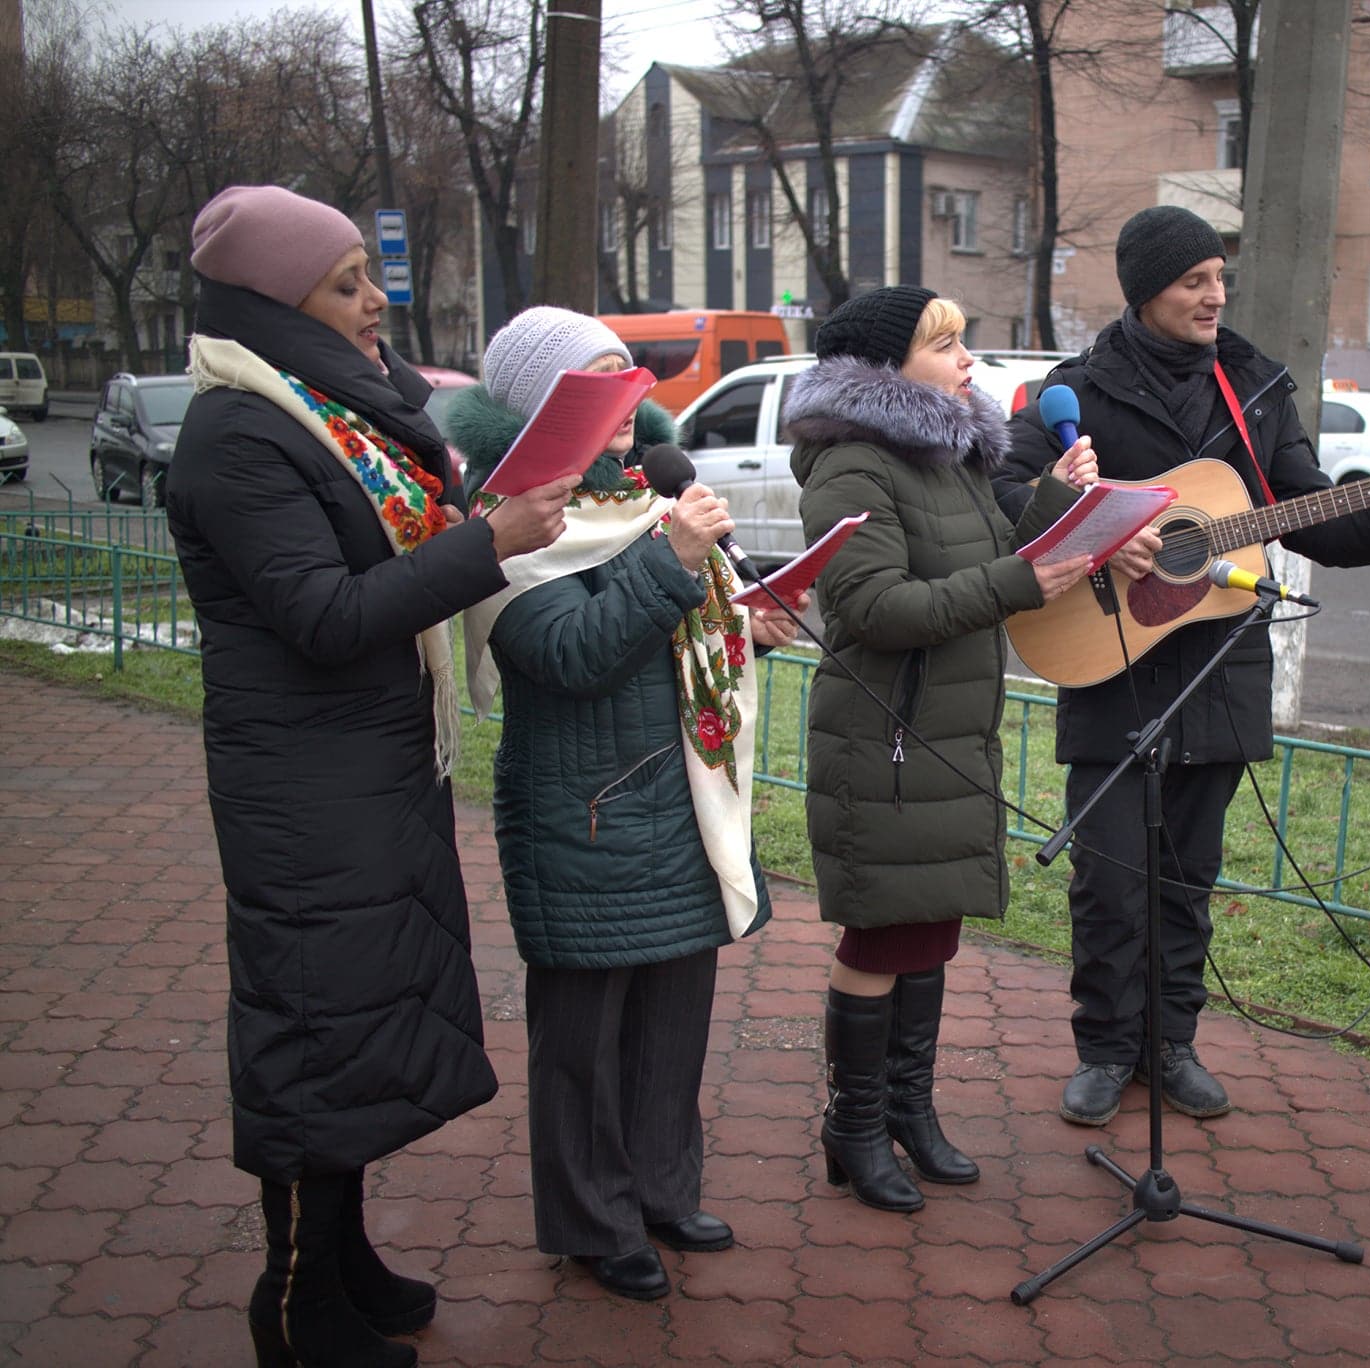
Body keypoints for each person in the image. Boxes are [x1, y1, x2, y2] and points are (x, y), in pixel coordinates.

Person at [164, 185, 577, 1368]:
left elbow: (384, 554)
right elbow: (325, 615)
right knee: (312, 1030)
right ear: (273, 300)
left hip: (366, 764)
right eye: (344, 282)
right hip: (302, 784)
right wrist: (483, 545)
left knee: (353, 1022)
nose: (373, 299)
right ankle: (297, 1304)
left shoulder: (328, 411)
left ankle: (342, 1259)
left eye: (367, 273)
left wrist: (477, 518)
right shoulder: (239, 432)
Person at [994, 206, 1370, 1127]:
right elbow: (1005, 490)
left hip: (1218, 661)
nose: (1215, 296)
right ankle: (1105, 1048)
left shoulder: (1256, 386)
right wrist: (1096, 533)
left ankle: (1171, 1045)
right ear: (1144, 290)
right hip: (1110, 654)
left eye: (1219, 278)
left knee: (1186, 876)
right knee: (1109, 877)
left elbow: (1311, 512)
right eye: (1194, 280)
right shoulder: (1073, 390)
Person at [445, 307, 805, 1296]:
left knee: (672, 1020)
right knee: (585, 1041)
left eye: (626, 379)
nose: (625, 402)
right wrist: (674, 560)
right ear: (542, 405)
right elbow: (570, 655)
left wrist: (746, 625)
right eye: (597, 382)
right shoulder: (511, 520)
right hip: (588, 812)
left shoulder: (648, 496)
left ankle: (660, 1189)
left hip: (681, 800)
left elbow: (671, 639)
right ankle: (593, 1222)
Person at [784, 286, 1095, 1212]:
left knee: (928, 931)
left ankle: (908, 1113)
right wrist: (1021, 580)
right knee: (882, 935)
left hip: (945, 735)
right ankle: (853, 1125)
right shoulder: (852, 463)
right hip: (882, 739)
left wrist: (1055, 500)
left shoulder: (947, 457)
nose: (968, 362)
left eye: (965, 342)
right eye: (946, 345)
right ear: (886, 370)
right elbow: (876, 607)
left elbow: (986, 557)